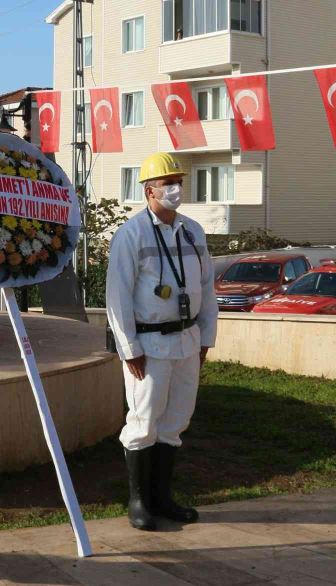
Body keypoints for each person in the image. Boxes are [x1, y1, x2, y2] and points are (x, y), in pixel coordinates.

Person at [106, 152, 218, 532]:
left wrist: (207, 337)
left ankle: (162, 498)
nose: (175, 189)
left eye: (179, 182)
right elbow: (117, 296)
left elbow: (206, 288)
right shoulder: (131, 233)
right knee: (143, 422)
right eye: (168, 183)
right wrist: (129, 349)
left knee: (175, 422)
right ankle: (139, 501)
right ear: (148, 189)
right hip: (149, 346)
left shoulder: (192, 231)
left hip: (187, 341)